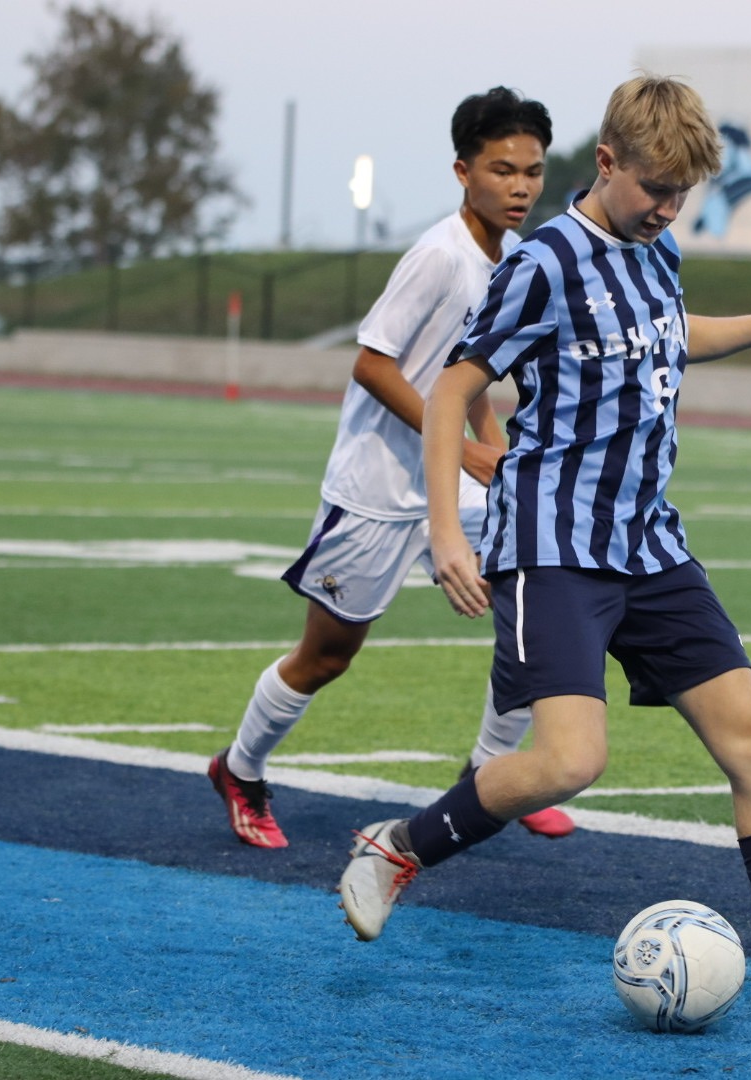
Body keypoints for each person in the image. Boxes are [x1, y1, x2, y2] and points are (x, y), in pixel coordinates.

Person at [339, 74, 751, 1030]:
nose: (669, 207)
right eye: (656, 188)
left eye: (683, 193)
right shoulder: (544, 262)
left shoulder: (657, 247)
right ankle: (398, 845)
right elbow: (450, 393)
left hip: (648, 541)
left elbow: (673, 338)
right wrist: (446, 533)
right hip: (553, 544)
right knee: (570, 760)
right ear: (606, 163)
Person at [208, 88, 575, 847]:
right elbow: (373, 365)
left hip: (452, 483)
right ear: (462, 172)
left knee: (536, 601)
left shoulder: (511, 260)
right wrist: (462, 448)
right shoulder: (439, 255)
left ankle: (491, 775)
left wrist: (493, 445)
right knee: (327, 656)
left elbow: (467, 372)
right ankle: (239, 769)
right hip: (377, 488)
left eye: (533, 171)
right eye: (502, 170)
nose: (520, 187)